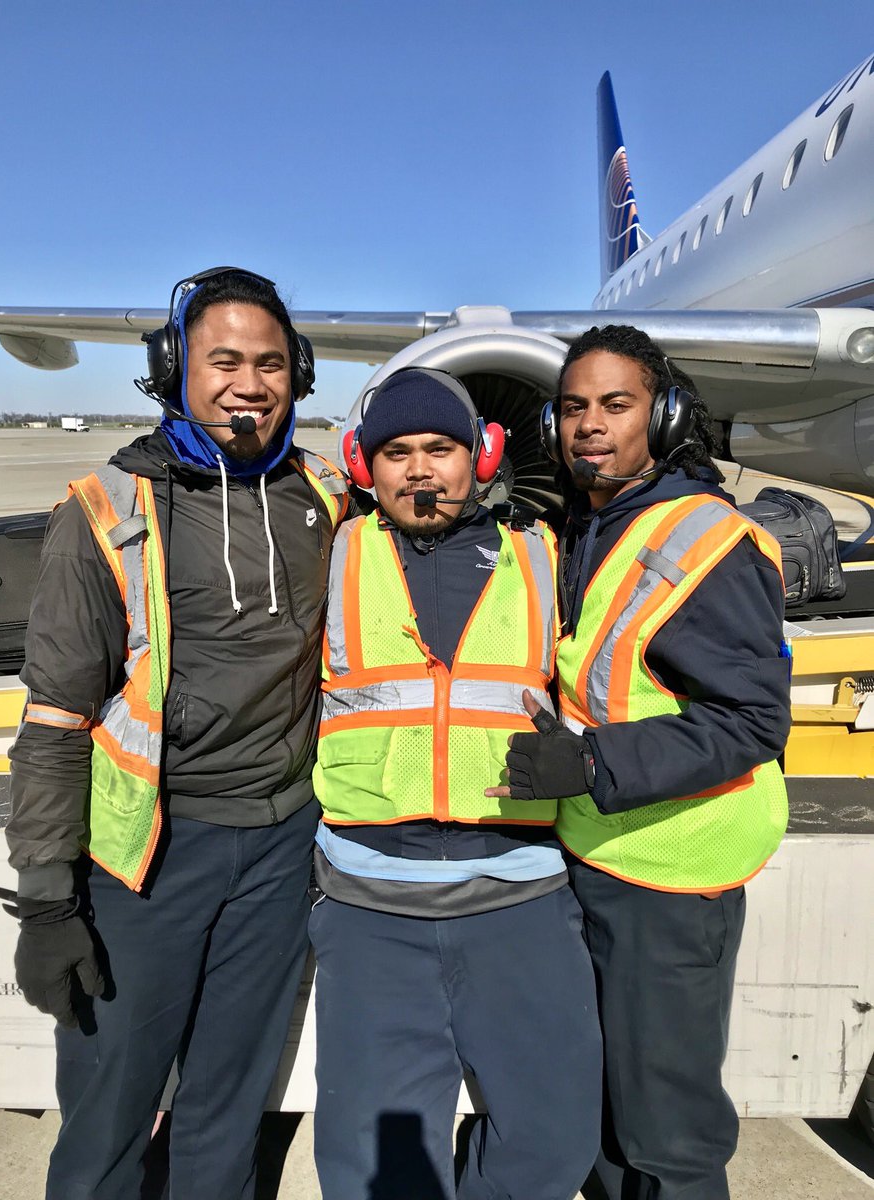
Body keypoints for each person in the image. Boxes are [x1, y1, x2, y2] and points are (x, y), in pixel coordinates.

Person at [3, 267, 349, 1200]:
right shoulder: (106, 512)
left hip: (281, 848)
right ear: (174, 369)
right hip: (150, 858)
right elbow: (55, 719)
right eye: (223, 360)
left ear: (299, 374)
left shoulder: (324, 497)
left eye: (270, 363)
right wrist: (47, 900)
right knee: (109, 1112)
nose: (250, 384)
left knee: (228, 1111)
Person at [490, 325, 792, 1200]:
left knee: (668, 1134)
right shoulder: (596, 520)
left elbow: (752, 719)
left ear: (662, 417)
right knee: (608, 1121)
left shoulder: (705, 540)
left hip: (671, 876)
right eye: (573, 407)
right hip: (602, 854)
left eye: (615, 405)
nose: (590, 424)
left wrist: (591, 765)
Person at [309, 366, 603, 1200]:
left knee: (552, 1145)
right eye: (395, 452)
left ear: (481, 455)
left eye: (439, 448)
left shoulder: (546, 557)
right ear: (365, 466)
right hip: (371, 907)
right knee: (376, 1171)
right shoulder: (330, 553)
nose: (419, 469)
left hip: (520, 896)